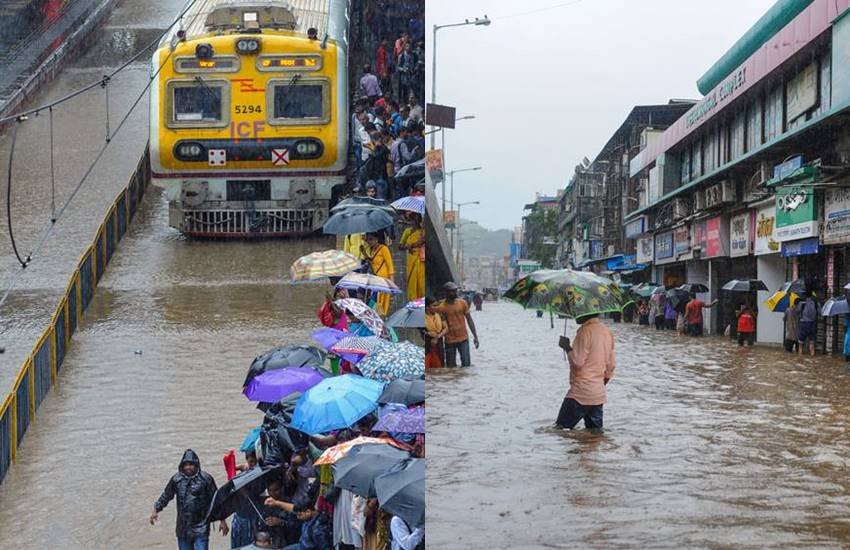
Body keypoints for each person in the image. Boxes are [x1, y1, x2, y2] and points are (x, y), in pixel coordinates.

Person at [150, 449, 228, 550]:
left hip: (201, 527)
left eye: (191, 464)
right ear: (182, 465)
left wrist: (222, 520)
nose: (188, 467)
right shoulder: (176, 480)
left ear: (196, 465)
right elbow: (166, 496)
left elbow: (216, 500)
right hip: (183, 528)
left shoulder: (206, 479)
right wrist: (156, 509)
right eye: (186, 464)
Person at [555, 314, 615, 432]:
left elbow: (577, 362)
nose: (575, 316)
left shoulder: (584, 331)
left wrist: (567, 347)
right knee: (594, 435)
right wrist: (598, 385)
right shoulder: (607, 332)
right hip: (598, 394)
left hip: (580, 393)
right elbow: (611, 366)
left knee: (560, 430)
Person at [435, 282, 479, 367]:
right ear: (446, 292)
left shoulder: (462, 303)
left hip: (463, 338)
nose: (454, 293)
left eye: (455, 290)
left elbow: (469, 320)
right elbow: (439, 325)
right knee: (451, 367)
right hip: (449, 340)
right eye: (452, 291)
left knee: (466, 365)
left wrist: (475, 336)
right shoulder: (441, 307)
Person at [361, 233, 394, 316]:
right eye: (367, 240)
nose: (369, 242)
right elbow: (372, 264)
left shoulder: (384, 249)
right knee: (374, 302)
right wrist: (364, 253)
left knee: (379, 302)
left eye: (371, 239)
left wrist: (391, 282)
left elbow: (390, 265)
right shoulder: (373, 250)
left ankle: (380, 317)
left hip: (384, 280)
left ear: (376, 239)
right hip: (376, 279)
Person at [398, 215, 425, 300]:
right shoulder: (407, 231)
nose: (415, 223)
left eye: (417, 221)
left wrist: (413, 245)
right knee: (412, 281)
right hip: (411, 259)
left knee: (421, 282)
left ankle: (421, 300)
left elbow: (422, 242)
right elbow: (400, 246)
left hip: (420, 259)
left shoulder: (422, 232)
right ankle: (413, 300)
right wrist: (408, 246)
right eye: (413, 220)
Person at [424, 296, 447, 369]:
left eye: (437, 305)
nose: (436, 307)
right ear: (427, 307)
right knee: (427, 368)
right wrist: (428, 333)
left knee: (440, 368)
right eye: (434, 306)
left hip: (439, 346)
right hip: (427, 347)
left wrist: (438, 336)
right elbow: (420, 331)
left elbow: (446, 328)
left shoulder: (439, 315)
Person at [798, 291, 818, 356]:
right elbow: (820, 312)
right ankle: (812, 355)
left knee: (801, 343)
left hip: (803, 324)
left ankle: (800, 356)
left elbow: (798, 311)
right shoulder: (815, 303)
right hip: (812, 324)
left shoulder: (801, 303)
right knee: (811, 342)